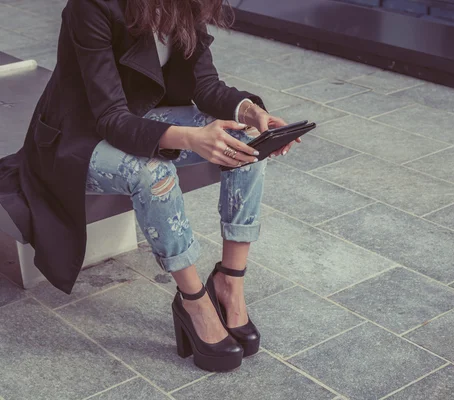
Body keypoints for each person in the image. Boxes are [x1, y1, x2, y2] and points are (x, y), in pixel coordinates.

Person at [0, 0, 299, 372]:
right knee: (152, 172)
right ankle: (194, 301)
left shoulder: (184, 3)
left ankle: (230, 282)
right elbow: (109, 117)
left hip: (140, 116)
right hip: (78, 136)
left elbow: (204, 84)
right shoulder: (90, 6)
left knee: (247, 140)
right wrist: (191, 138)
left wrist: (250, 111)